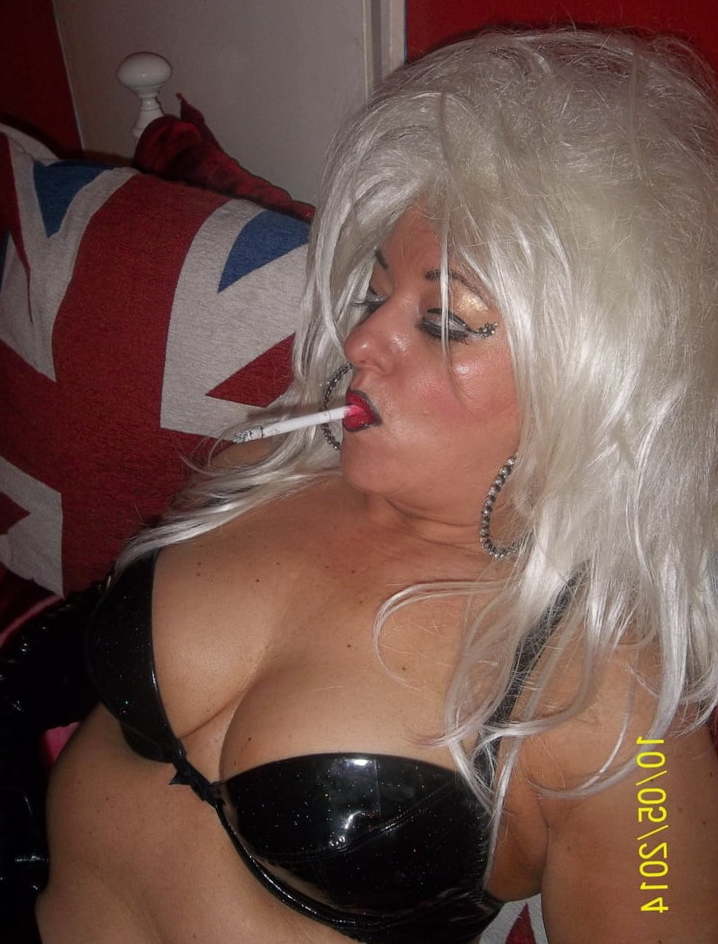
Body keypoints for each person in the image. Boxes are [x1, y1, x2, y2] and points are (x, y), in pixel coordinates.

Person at [33, 26, 718, 943]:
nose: (360, 343)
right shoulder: (260, 467)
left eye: (446, 321)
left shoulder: (617, 705)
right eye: (375, 292)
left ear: (592, 382)